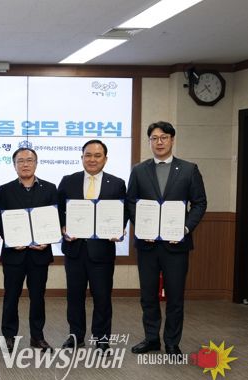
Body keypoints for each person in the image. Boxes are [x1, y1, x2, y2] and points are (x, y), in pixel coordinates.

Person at [127, 121, 207, 355]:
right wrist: (143, 228)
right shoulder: (139, 170)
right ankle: (151, 338)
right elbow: (131, 202)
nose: (159, 142)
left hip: (176, 245)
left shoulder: (189, 169)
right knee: (148, 295)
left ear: (172, 140)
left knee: (175, 296)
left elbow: (200, 203)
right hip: (147, 245)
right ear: (149, 142)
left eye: (163, 137)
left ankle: (172, 342)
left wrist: (185, 228)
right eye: (154, 138)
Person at [58, 140, 127, 352]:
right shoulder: (68, 181)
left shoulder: (117, 183)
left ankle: (102, 339)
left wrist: (119, 229)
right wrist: (62, 227)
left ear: (105, 159)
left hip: (102, 251)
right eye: (88, 155)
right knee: (74, 297)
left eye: (97, 156)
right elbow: (58, 211)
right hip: (75, 250)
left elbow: (122, 212)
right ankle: (75, 336)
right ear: (82, 158)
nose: (92, 159)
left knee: (102, 297)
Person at [0, 147, 56, 352]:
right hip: (14, 253)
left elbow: (55, 218)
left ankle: (37, 337)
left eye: (29, 160)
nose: (25, 164)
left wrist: (48, 239)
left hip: (40, 254)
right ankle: (9, 336)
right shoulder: (5, 190)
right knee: (11, 297)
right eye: (20, 161)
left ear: (36, 163)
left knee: (38, 297)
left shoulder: (50, 189)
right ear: (14, 165)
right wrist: (10, 239)